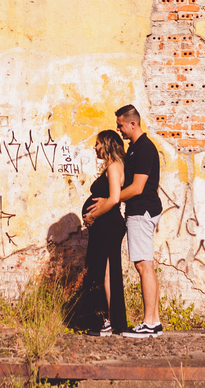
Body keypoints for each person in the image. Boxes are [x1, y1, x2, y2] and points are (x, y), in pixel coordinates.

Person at [116, 104, 163, 338]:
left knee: (143, 266)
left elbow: (137, 187)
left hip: (141, 211)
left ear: (132, 124)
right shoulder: (135, 147)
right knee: (146, 266)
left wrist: (111, 199)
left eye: (121, 126)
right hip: (141, 211)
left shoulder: (144, 148)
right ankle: (154, 321)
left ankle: (149, 323)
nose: (119, 130)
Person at [77, 130, 127, 336]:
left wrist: (93, 216)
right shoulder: (112, 167)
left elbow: (114, 198)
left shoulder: (114, 167)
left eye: (98, 144)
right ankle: (109, 319)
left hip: (108, 223)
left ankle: (106, 320)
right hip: (105, 224)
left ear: (107, 144)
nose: (95, 147)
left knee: (105, 272)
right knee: (104, 271)